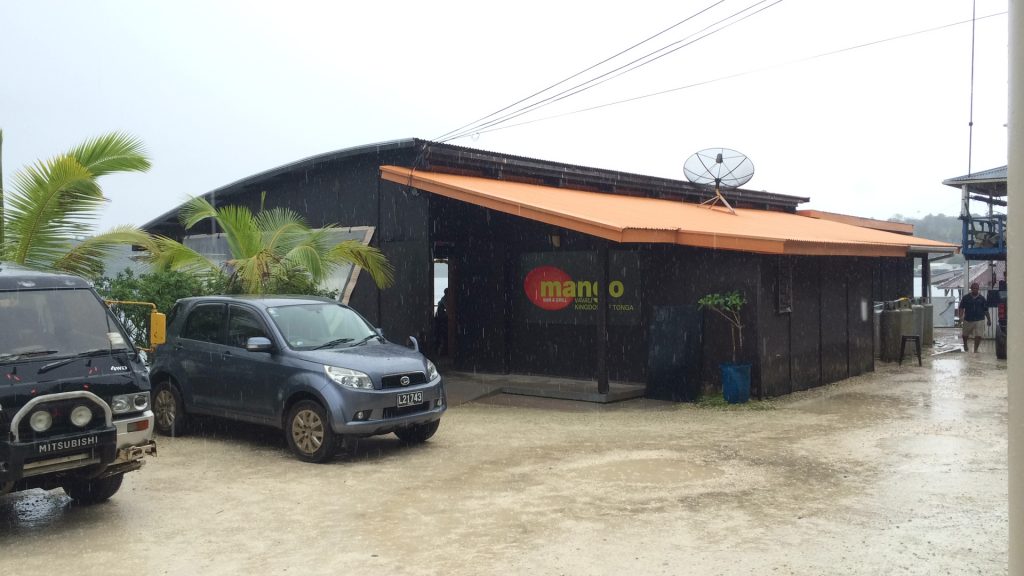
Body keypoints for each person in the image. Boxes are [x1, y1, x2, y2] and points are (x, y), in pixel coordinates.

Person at [958, 282, 990, 353]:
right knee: (965, 335)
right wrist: (960, 317)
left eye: (976, 288)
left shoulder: (982, 299)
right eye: (974, 288)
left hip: (979, 319)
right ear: (971, 289)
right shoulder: (966, 298)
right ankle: (965, 344)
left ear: (978, 289)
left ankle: (975, 349)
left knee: (979, 335)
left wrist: (989, 319)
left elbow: (986, 310)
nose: (975, 290)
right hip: (968, 319)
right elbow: (961, 308)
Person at [434, 288, 449, 355]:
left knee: (441, 336)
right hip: (441, 320)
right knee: (442, 337)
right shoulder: (444, 299)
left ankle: (440, 352)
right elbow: (448, 309)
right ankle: (440, 352)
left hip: (441, 320)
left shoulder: (444, 299)